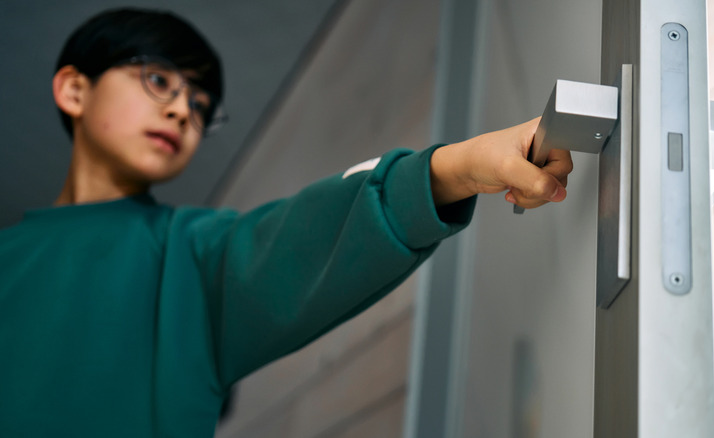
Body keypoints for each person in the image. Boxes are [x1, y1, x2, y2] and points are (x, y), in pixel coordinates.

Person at [0, 7, 573, 438]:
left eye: (200, 106)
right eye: (157, 81)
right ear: (74, 89)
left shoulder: (190, 256)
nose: (182, 110)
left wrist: (458, 167)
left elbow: (301, 236)